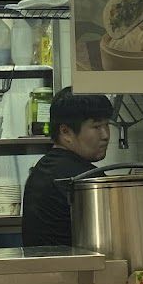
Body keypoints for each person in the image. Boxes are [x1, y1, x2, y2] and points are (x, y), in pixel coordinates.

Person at [22, 88, 112, 247]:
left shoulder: (43, 168)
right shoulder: (83, 179)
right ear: (66, 132)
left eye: (107, 125)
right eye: (97, 127)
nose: (105, 135)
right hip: (72, 270)